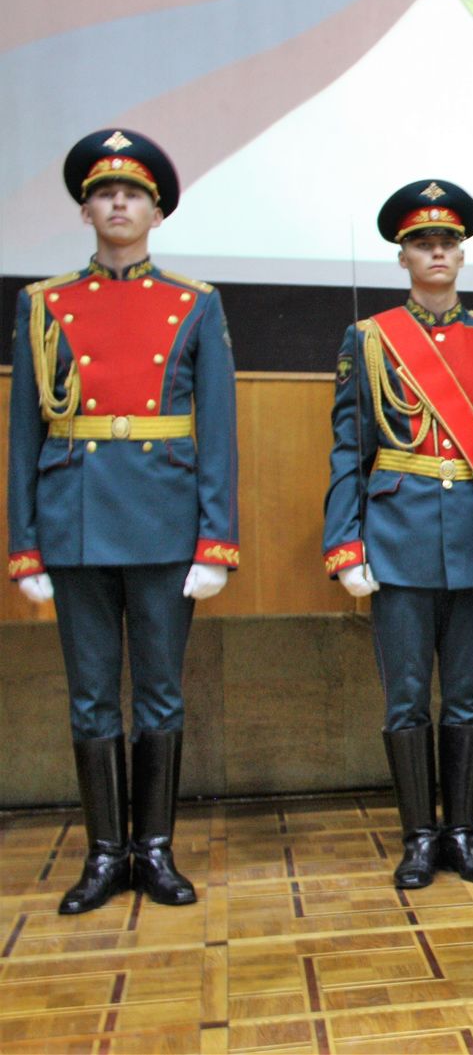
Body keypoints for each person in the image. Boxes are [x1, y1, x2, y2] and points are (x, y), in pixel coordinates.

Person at [7, 128, 239, 915]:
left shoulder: (195, 303)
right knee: (91, 697)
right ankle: (106, 852)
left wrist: (216, 538)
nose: (117, 204)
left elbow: (218, 431)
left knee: (161, 695)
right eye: (104, 193)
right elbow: (23, 434)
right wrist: (25, 543)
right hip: (73, 521)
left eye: (132, 194)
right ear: (85, 210)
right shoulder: (43, 304)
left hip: (165, 521)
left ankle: (156, 850)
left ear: (156, 212)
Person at [322, 179, 473, 890]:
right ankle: (418, 837)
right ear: (402, 256)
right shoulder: (369, 339)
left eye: (447, 242)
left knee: (466, 697)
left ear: (462, 254)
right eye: (422, 243)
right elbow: (350, 449)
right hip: (396, 543)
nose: (436, 253)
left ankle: (461, 834)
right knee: (405, 699)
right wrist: (346, 542)